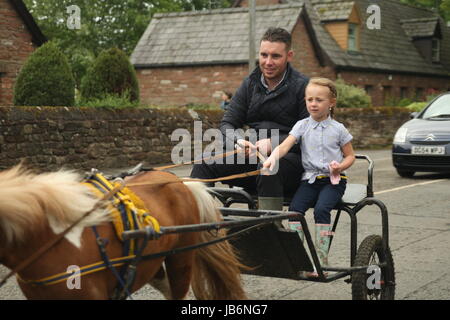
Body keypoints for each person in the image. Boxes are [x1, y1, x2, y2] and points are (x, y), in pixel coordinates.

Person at [190, 27, 309, 211]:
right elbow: (227, 123)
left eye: (275, 56)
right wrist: (238, 141)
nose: (268, 62)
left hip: (291, 163)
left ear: (289, 55)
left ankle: (270, 231)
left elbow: (311, 133)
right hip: (252, 157)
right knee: (204, 161)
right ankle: (199, 224)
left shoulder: (303, 87)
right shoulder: (249, 84)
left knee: (269, 168)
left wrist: (272, 144)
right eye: (264, 55)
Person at [263, 77, 355, 276]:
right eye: (309, 99)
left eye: (319, 100)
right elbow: (285, 145)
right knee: (295, 211)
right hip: (310, 180)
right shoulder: (302, 125)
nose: (313, 104)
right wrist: (272, 158)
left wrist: (339, 167)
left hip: (333, 181)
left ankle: (321, 262)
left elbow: (350, 156)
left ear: (331, 103)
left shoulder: (338, 129)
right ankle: (300, 260)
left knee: (322, 209)